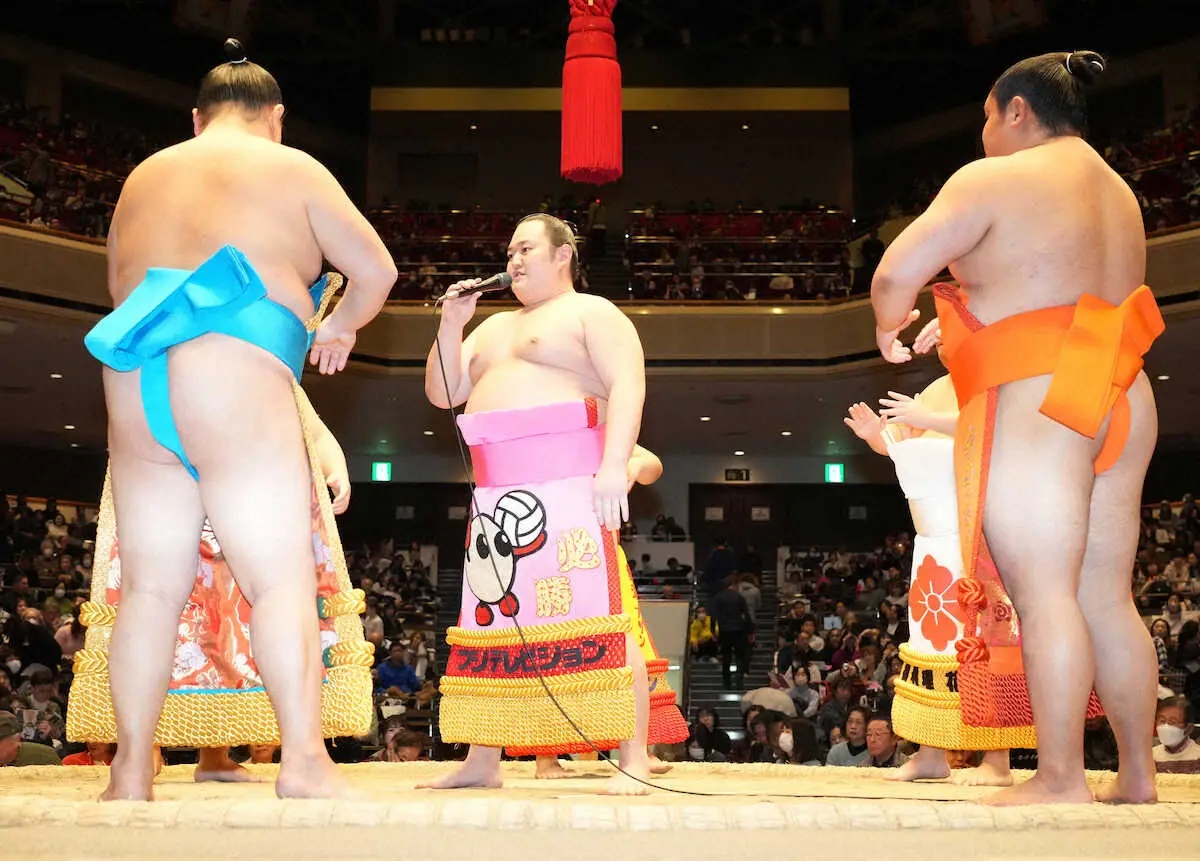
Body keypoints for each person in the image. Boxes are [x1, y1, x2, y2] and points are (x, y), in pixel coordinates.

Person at [78, 38, 395, 801]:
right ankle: (305, 761)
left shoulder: (141, 177)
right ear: (276, 119)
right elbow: (377, 269)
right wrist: (342, 325)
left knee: (152, 587)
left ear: (196, 119)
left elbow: (122, 276)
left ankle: (128, 769)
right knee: (279, 576)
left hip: (132, 370)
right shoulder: (294, 168)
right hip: (233, 365)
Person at [872, 51, 1163, 805]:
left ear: (1017, 111)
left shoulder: (994, 178)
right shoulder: (1120, 191)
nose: (983, 136)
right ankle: (1136, 774)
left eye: (985, 119)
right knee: (1108, 593)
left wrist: (888, 322)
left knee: (1045, 594)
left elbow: (896, 269)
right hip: (1121, 387)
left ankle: (1063, 774)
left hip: (1041, 391)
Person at [422, 212, 653, 795]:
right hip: (496, 494)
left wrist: (611, 466)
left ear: (562, 256)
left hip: (571, 483)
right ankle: (482, 759)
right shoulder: (492, 327)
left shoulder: (591, 312)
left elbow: (628, 383)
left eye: (526, 247)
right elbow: (444, 393)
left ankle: (636, 755)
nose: (514, 258)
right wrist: (451, 326)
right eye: (509, 249)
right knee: (495, 619)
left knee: (598, 612)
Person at [67, 387, 371, 786]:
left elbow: (312, 430)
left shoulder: (263, 367)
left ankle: (214, 757)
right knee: (159, 621)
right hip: (175, 513)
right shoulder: (171, 367)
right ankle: (140, 749)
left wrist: (336, 468)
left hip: (242, 523)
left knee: (225, 639)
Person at [844, 370, 1011, 787]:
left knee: (982, 646)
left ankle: (998, 761)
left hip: (977, 540)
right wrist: (872, 437)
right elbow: (896, 444)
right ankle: (930, 753)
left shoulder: (993, 377)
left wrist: (929, 417)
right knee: (931, 646)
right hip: (930, 546)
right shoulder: (937, 387)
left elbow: (997, 431)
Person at [526, 444, 688, 779]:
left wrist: (626, 467)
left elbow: (653, 465)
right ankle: (546, 757)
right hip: (554, 561)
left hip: (606, 561)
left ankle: (641, 749)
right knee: (557, 654)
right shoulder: (546, 440)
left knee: (635, 653)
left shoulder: (603, 436)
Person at [709, 575, 755, 691]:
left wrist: (713, 630)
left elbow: (713, 615)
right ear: (734, 584)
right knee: (739, 656)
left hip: (724, 630)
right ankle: (739, 681)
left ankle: (726, 683)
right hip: (739, 629)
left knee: (726, 657)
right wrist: (750, 631)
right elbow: (746, 615)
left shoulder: (718, 597)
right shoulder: (739, 597)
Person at [1153, 696, 1200, 773]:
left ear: (1189, 729)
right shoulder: (1151, 757)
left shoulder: (1198, 756)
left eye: (1172, 722)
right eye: (1162, 721)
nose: (1166, 726)